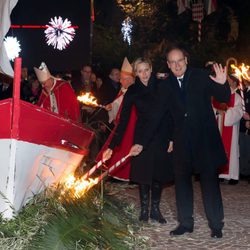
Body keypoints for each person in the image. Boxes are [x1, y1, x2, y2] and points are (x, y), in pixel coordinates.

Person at [130, 46, 231, 238]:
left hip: (204, 141)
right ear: (168, 65)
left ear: (186, 60)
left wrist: (222, 84)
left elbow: (224, 98)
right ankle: (185, 223)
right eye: (172, 62)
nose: (176, 65)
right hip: (181, 142)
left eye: (180, 61)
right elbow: (157, 116)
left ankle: (216, 225)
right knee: (182, 184)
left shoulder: (201, 76)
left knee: (209, 184)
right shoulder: (165, 85)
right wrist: (141, 143)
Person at [103, 58, 173, 223]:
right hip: (142, 137)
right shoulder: (133, 91)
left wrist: (171, 138)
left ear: (151, 69)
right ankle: (144, 209)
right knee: (144, 174)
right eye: (140, 71)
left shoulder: (162, 86)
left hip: (161, 135)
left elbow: (170, 114)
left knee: (157, 175)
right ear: (136, 73)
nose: (144, 74)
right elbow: (124, 121)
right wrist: (112, 146)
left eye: (146, 70)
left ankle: (155, 209)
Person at [96, 57, 135, 181]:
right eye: (121, 78)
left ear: (131, 79)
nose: (120, 81)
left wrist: (113, 106)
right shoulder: (123, 90)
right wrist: (111, 106)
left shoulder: (132, 91)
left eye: (123, 79)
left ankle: (124, 174)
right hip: (122, 123)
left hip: (131, 123)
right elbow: (118, 103)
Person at [213, 74, 243, 184]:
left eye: (229, 80)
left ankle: (233, 176)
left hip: (231, 127)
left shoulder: (237, 97)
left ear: (234, 82)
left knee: (232, 149)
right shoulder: (221, 94)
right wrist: (217, 112)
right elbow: (214, 106)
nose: (227, 81)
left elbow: (239, 111)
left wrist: (226, 112)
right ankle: (221, 173)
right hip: (220, 125)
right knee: (219, 148)